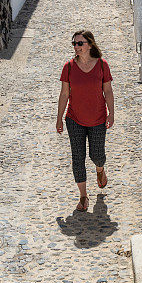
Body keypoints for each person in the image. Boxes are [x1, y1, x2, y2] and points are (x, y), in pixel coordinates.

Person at [56, 30, 114, 211]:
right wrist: (59, 118)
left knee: (97, 155)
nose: (76, 47)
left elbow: (108, 91)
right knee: (77, 158)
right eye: (74, 43)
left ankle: (100, 169)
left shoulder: (102, 65)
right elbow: (64, 94)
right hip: (74, 120)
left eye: (80, 43)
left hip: (97, 118)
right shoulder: (69, 67)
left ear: (90, 44)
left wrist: (111, 113)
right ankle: (83, 196)